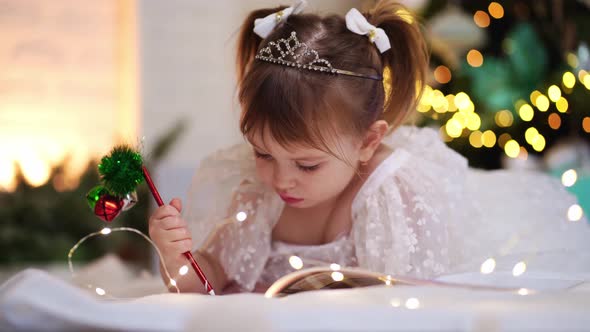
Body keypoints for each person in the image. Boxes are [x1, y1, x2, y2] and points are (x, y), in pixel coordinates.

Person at [148, 0, 589, 294]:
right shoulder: (256, 197)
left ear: (368, 141)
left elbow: (409, 310)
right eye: (264, 153)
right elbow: (205, 285)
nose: (281, 179)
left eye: (307, 164)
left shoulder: (390, 196)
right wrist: (177, 257)